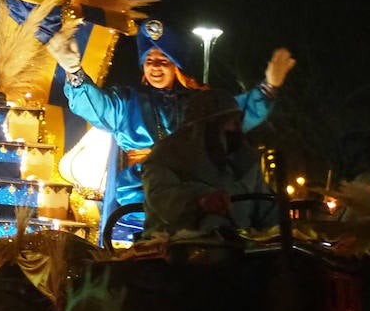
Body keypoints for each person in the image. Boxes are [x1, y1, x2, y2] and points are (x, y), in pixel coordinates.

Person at [48, 17, 295, 232]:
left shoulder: (199, 105)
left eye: (163, 60)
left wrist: (268, 88)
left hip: (196, 195)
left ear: (176, 66)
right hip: (138, 200)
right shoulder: (127, 102)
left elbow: (234, 115)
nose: (155, 66)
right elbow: (96, 106)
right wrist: (74, 72)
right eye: (149, 60)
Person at [141, 88, 280, 236]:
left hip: (240, 245)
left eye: (238, 121)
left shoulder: (246, 162)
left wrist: (279, 229)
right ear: (206, 127)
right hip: (177, 243)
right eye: (230, 122)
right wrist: (200, 200)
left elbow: (267, 211)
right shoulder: (166, 156)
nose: (237, 128)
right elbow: (161, 197)